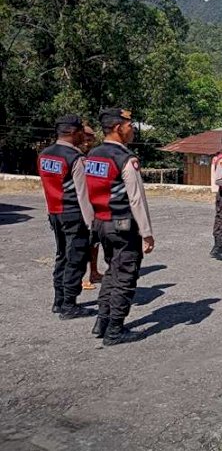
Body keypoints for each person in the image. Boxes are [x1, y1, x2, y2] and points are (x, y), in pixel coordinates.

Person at [85, 108, 155, 346]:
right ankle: (115, 329)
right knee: (125, 274)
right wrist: (146, 233)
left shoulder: (93, 155)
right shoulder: (126, 159)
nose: (132, 129)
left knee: (111, 271)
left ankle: (101, 321)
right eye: (129, 125)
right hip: (123, 224)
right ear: (117, 128)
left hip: (101, 223)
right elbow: (136, 199)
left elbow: (86, 192)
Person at [37, 114, 96, 319]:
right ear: (72, 132)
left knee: (62, 256)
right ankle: (69, 305)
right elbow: (83, 193)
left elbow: (47, 187)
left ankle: (58, 301)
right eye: (81, 131)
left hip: (55, 213)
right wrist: (91, 223)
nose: (83, 135)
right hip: (73, 214)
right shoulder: (76, 158)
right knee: (76, 259)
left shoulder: (44, 154)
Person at [80, 124, 103, 290]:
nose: (88, 142)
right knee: (81, 244)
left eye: (90, 139)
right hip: (79, 208)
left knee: (94, 243)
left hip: (94, 205)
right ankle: (81, 277)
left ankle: (93, 272)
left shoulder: (92, 156)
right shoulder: (74, 157)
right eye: (85, 138)